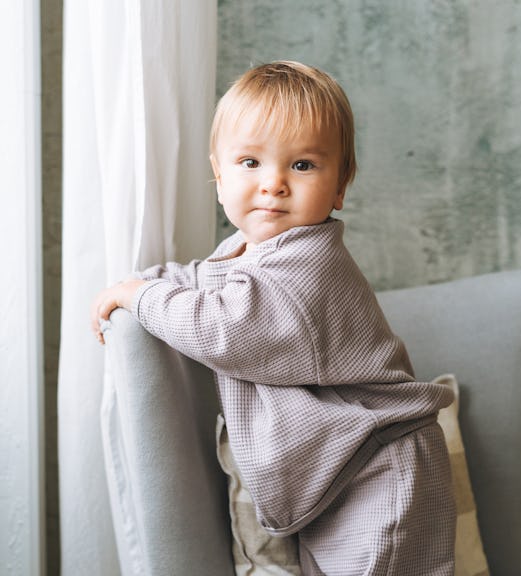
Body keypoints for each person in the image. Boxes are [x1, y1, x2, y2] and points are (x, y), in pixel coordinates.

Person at [90, 60, 456, 575]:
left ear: (340, 185)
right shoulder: (250, 248)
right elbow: (202, 278)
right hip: (345, 469)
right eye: (250, 163)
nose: (274, 184)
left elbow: (226, 328)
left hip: (383, 474)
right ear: (219, 177)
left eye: (303, 165)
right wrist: (144, 281)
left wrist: (143, 299)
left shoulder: (311, 266)